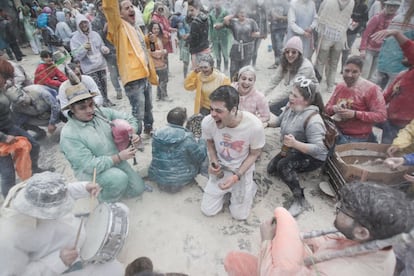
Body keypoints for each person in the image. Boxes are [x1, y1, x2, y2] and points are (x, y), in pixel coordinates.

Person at [224, 182, 414, 275]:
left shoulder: (340, 272)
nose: (336, 209)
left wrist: (267, 240)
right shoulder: (379, 244)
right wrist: (297, 239)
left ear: (362, 232)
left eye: (342, 210)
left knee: (235, 261)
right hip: (311, 264)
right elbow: (334, 242)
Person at [0, 171, 124, 275]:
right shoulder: (8, 237)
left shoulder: (33, 190)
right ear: (39, 211)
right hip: (62, 264)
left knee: (121, 209)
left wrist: (84, 187)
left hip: (78, 237)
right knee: (115, 271)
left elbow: (60, 191)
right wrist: (59, 261)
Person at [60, 82, 147, 202]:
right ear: (71, 109)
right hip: (92, 172)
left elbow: (129, 118)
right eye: (82, 108)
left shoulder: (103, 113)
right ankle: (104, 200)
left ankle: (117, 188)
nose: (90, 110)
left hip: (115, 161)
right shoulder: (69, 135)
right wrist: (117, 157)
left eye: (91, 105)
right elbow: (88, 165)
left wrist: (131, 132)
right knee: (119, 179)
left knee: (138, 189)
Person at [200, 85, 265, 220]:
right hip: (221, 170)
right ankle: (228, 192)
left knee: (239, 216)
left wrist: (236, 176)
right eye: (211, 109)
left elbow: (254, 154)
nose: (213, 114)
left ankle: (251, 186)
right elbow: (210, 143)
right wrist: (213, 162)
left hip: (241, 170)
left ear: (233, 110)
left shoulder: (254, 125)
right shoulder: (208, 122)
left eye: (219, 111)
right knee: (208, 211)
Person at [267, 76, 328, 217]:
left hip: (312, 157)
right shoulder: (291, 107)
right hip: (293, 148)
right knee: (271, 169)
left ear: (306, 101)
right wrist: (266, 123)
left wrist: (295, 144)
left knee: (283, 166)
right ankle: (293, 167)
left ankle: (300, 200)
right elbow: (279, 122)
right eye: (291, 93)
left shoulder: (313, 120)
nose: (290, 98)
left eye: (295, 95)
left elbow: (320, 149)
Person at [103, 0, 158, 136]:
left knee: (148, 107)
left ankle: (149, 129)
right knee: (137, 112)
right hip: (133, 79)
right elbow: (110, 9)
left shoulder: (135, 27)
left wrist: (148, 39)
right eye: (126, 8)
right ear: (119, 14)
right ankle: (136, 136)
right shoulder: (118, 26)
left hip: (144, 74)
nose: (131, 9)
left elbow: (138, 47)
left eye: (131, 7)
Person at [0, 59, 49, 198]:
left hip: (9, 125)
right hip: (2, 134)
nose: (6, 81)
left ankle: (33, 170)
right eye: (4, 77)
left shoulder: (4, 87)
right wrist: (4, 138)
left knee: (34, 145)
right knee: (7, 172)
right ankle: (9, 201)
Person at [325, 56, 387, 144]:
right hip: (337, 131)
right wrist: (334, 108)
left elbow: (381, 116)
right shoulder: (340, 86)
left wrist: (355, 114)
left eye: (354, 72)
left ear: (360, 72)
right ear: (342, 70)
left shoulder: (371, 89)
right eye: (347, 71)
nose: (349, 75)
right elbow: (326, 110)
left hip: (358, 137)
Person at [148, 107, 207, 192]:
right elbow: (200, 157)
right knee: (204, 152)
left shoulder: (156, 134)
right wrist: (201, 141)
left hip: (158, 177)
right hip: (181, 180)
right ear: (183, 121)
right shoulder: (187, 137)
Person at [371, 29, 414, 143]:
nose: (404, 55)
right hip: (391, 121)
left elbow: (410, 48)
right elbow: (387, 96)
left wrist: (397, 33)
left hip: (406, 127)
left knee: (393, 153)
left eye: (407, 55)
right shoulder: (403, 75)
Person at [264, 36, 319, 116]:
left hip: (308, 95)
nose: (290, 55)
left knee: (273, 105)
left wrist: (270, 101)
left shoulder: (306, 67)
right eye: (287, 52)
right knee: (272, 107)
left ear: (299, 53)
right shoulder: (285, 62)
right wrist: (261, 96)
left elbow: (291, 88)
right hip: (295, 92)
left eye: (294, 52)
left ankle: (290, 120)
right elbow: (274, 80)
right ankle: (286, 119)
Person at [70, 14, 114, 107]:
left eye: (85, 22)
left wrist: (104, 49)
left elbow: (101, 45)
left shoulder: (95, 34)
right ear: (78, 25)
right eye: (81, 24)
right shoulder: (75, 39)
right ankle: (100, 103)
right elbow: (76, 56)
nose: (84, 25)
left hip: (100, 65)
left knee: (104, 85)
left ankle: (106, 99)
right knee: (96, 87)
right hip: (89, 68)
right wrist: (84, 49)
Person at [315, 0, 354, 93]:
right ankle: (330, 85)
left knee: (320, 62)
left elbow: (320, 14)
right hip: (340, 35)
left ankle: (317, 85)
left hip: (326, 33)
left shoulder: (328, 1)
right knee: (334, 63)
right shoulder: (351, 2)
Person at [359, 0, 400, 80]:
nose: (392, 8)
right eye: (390, 6)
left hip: (382, 51)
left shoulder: (395, 20)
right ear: (385, 6)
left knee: (373, 77)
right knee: (364, 73)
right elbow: (366, 34)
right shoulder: (377, 18)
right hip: (370, 49)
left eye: (395, 6)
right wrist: (363, 49)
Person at [92, 0, 124, 100]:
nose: (102, 7)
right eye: (100, 5)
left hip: (119, 47)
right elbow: (96, 38)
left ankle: (127, 87)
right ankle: (118, 90)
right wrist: (104, 30)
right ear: (97, 7)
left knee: (123, 70)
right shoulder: (96, 21)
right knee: (113, 72)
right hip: (108, 51)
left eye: (103, 4)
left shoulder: (113, 15)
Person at [223, 6, 260, 80]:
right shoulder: (234, 22)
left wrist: (255, 34)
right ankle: (233, 85)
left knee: (245, 70)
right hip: (236, 48)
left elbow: (258, 32)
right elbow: (225, 19)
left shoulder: (251, 22)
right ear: (237, 14)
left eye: (244, 12)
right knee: (233, 69)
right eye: (240, 12)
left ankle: (243, 86)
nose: (242, 14)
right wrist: (234, 15)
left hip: (248, 49)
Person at [146, 21, 171, 102]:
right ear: (151, 29)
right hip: (158, 63)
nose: (156, 30)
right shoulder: (152, 38)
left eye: (157, 28)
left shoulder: (156, 37)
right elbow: (153, 52)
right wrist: (163, 52)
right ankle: (164, 96)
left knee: (161, 80)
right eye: (154, 28)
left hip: (159, 62)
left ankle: (159, 96)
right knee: (163, 80)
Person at [208, 0, 232, 72]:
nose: (216, 3)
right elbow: (210, 26)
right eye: (214, 1)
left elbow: (230, 24)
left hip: (224, 37)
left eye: (218, 1)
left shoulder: (225, 12)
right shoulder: (211, 13)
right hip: (215, 37)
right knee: (217, 54)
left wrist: (222, 27)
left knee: (225, 53)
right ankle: (218, 69)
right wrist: (210, 36)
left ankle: (226, 69)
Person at [187, 0, 210, 69]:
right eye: (189, 11)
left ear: (198, 8)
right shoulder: (205, 18)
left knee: (197, 73)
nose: (190, 13)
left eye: (192, 10)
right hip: (206, 49)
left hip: (197, 52)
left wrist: (188, 38)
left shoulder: (195, 22)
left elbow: (194, 40)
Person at [267, 0, 289, 68]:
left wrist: (279, 17)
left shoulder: (286, 4)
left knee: (280, 47)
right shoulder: (272, 3)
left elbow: (289, 17)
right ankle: (276, 63)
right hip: (273, 28)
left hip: (281, 28)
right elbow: (269, 16)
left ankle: (283, 64)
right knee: (274, 47)